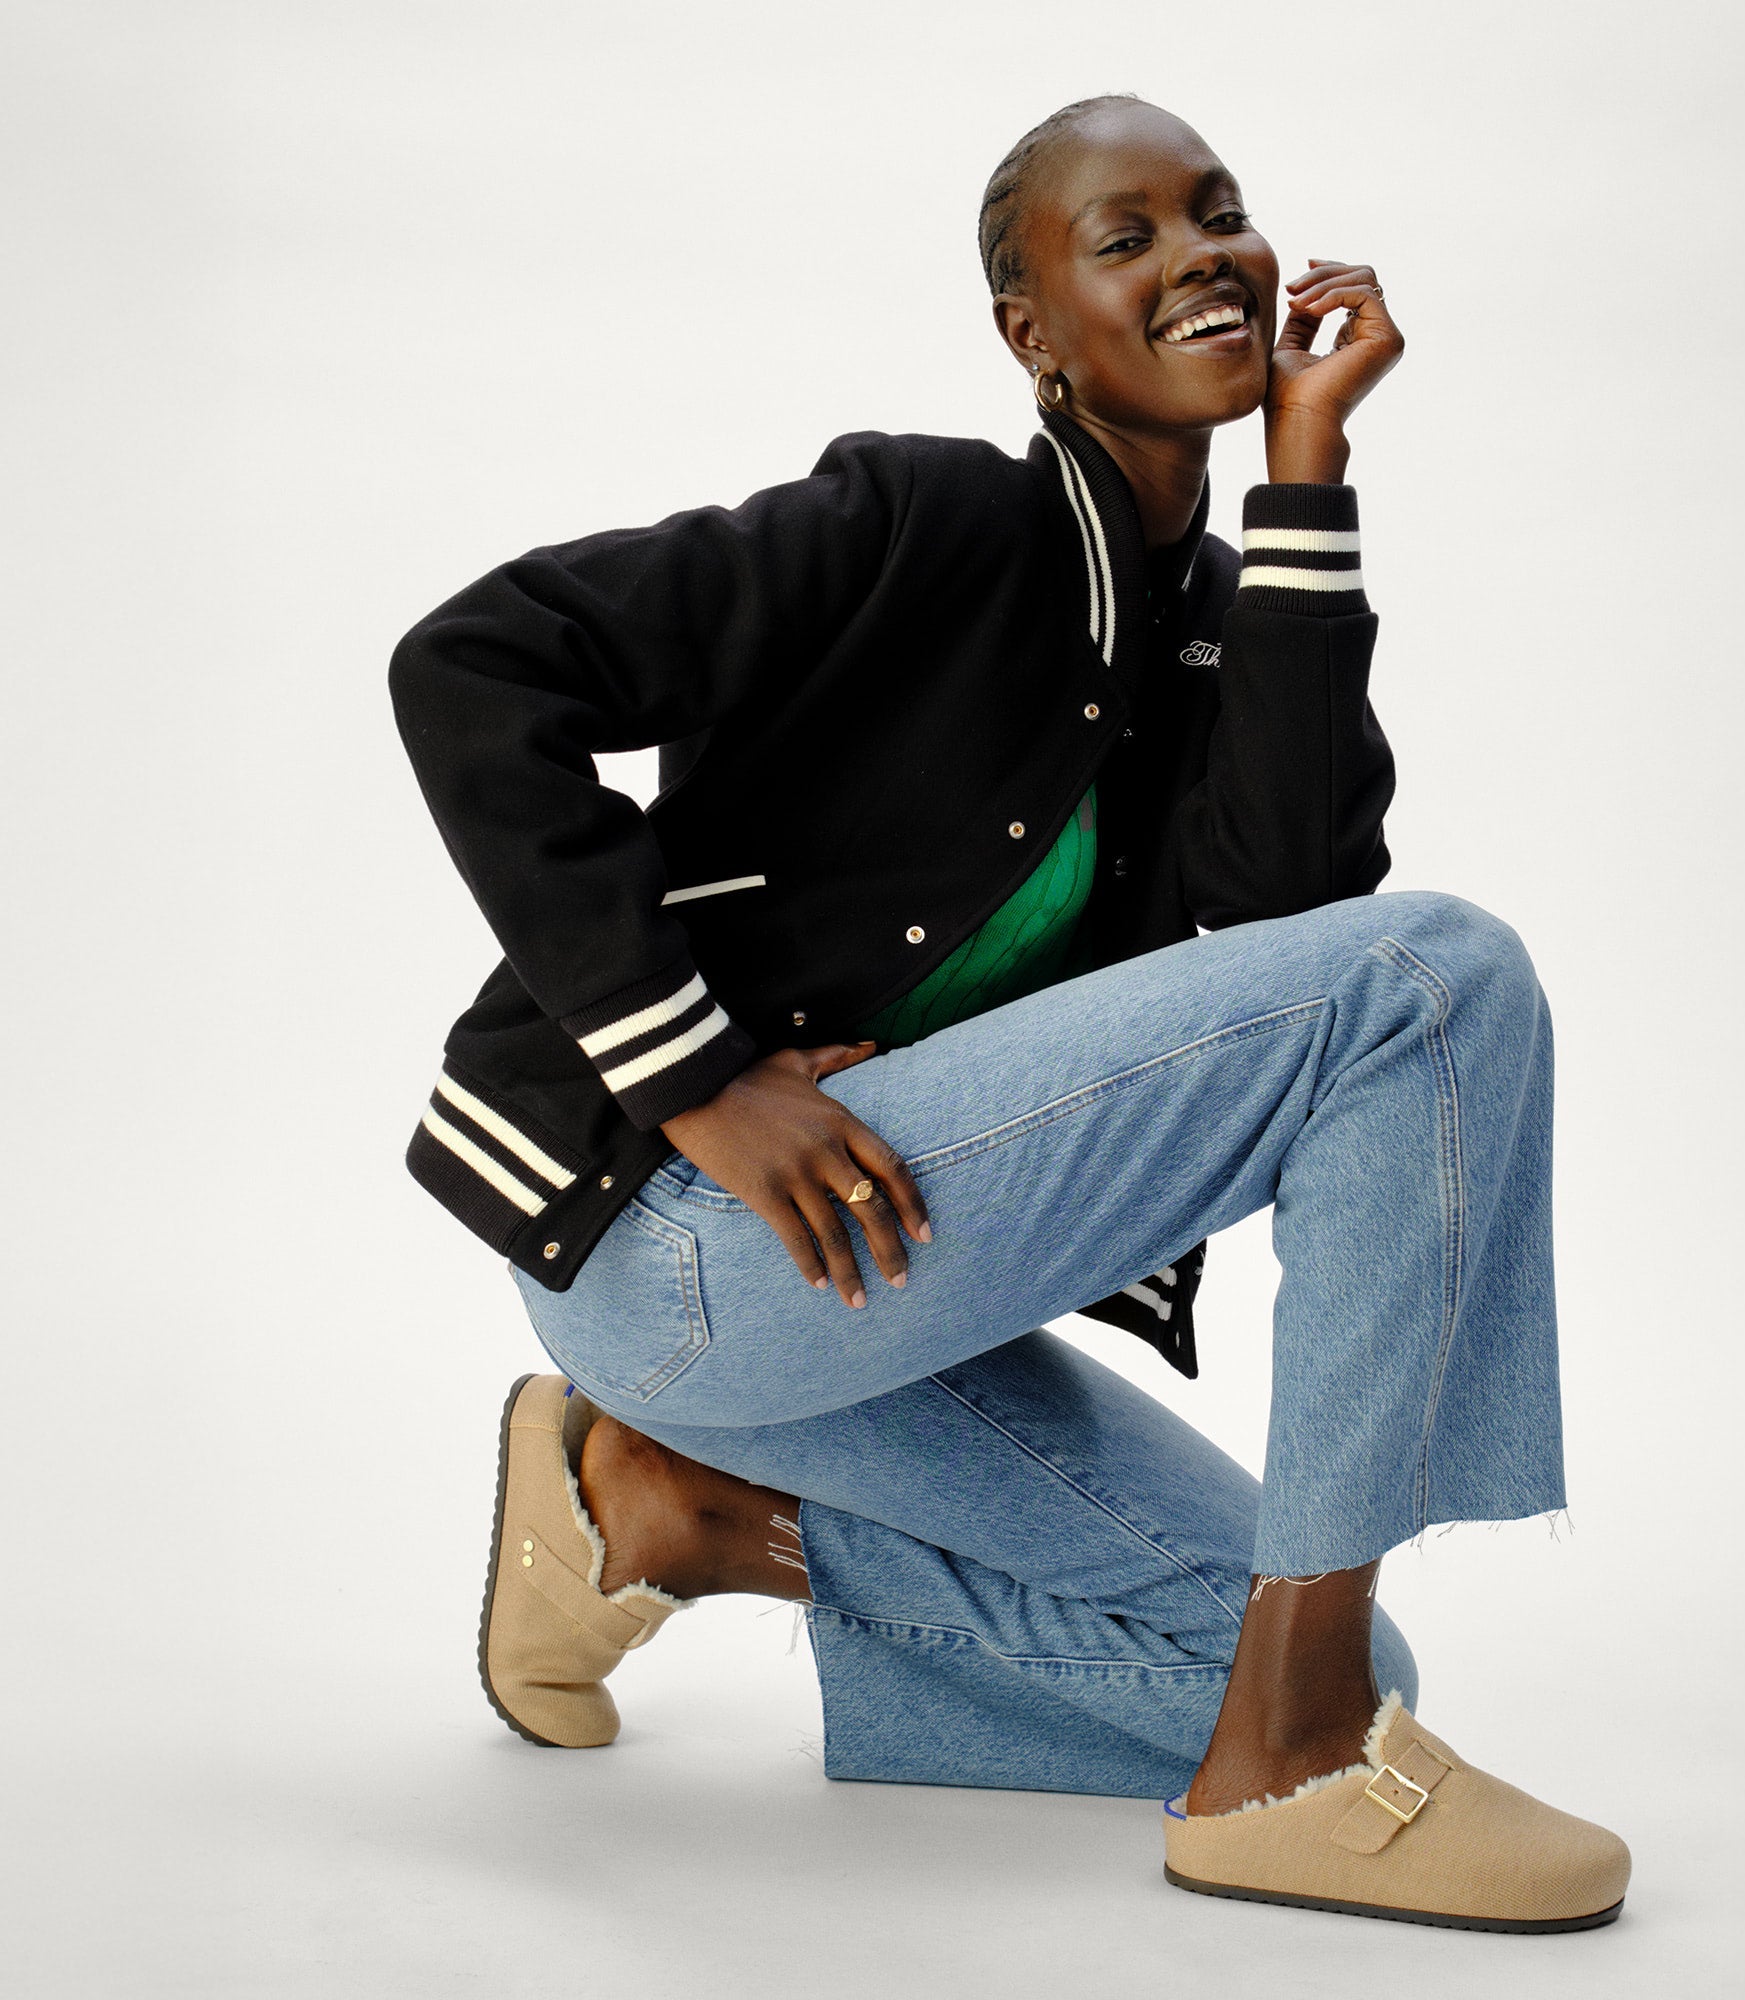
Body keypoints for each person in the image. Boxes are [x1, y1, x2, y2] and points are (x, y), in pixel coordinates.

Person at [389, 93, 1630, 1932]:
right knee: (1437, 977)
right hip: (680, 1239)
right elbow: (474, 668)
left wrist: (1303, 476)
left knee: (1324, 1647)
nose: (1203, 255)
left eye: (1220, 213)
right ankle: (1295, 1770)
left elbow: (1284, 931)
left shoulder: (1220, 623)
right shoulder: (919, 520)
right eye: (1128, 237)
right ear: (1032, 334)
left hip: (882, 1286)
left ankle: (661, 1513)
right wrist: (699, 1073)